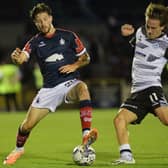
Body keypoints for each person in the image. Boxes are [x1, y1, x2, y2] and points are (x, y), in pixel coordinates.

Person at [3, 3, 98, 165]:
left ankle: (85, 135)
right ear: (35, 23)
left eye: (45, 19)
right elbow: (22, 58)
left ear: (51, 18)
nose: (43, 23)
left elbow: (86, 58)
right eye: (38, 21)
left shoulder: (69, 36)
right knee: (26, 126)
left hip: (69, 83)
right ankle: (18, 149)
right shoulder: (34, 42)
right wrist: (16, 58)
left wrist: (74, 66)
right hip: (48, 90)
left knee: (82, 87)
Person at [112, 3, 168, 165]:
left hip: (152, 87)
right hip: (137, 92)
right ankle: (126, 156)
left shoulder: (166, 44)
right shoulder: (140, 32)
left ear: (163, 27)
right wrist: (124, 36)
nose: (149, 30)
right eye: (148, 26)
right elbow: (128, 50)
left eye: (154, 28)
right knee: (119, 120)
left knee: (165, 120)